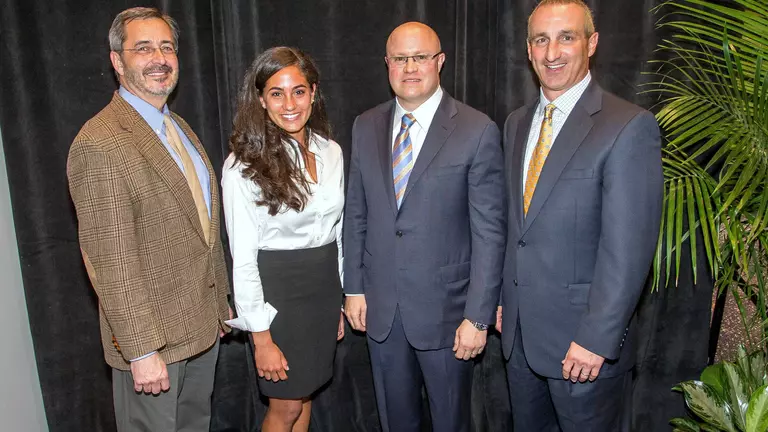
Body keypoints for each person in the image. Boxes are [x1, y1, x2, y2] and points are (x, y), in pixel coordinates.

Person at [497, 1, 663, 430]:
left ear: (592, 44)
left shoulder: (627, 126)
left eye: (566, 37)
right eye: (541, 39)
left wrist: (596, 339)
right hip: (520, 341)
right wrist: (502, 299)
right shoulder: (516, 124)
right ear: (528, 48)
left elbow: (627, 251)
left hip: (583, 350)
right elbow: (518, 229)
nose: (552, 52)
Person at [66, 7, 231, 432]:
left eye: (167, 47)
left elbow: (200, 229)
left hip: (198, 331)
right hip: (153, 347)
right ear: (117, 62)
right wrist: (140, 351)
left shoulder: (177, 127)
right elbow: (110, 260)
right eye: (143, 48)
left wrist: (219, 305)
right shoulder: (100, 143)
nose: (159, 58)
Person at [343, 21, 506, 432]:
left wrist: (479, 317)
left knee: (451, 422)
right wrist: (354, 287)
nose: (410, 67)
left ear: (440, 62)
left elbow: (489, 233)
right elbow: (357, 214)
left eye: (420, 57)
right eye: (400, 58)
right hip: (381, 312)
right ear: (387, 64)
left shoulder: (477, 130)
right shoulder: (365, 126)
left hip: (449, 317)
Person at [221, 47, 345, 432]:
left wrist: (338, 300)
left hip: (322, 294)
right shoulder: (243, 166)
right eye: (276, 93)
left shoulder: (332, 152)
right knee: (286, 408)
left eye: (299, 91)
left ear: (313, 93)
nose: (289, 103)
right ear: (261, 99)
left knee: (305, 396)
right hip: (279, 299)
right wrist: (261, 339)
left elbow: (336, 233)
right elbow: (242, 259)